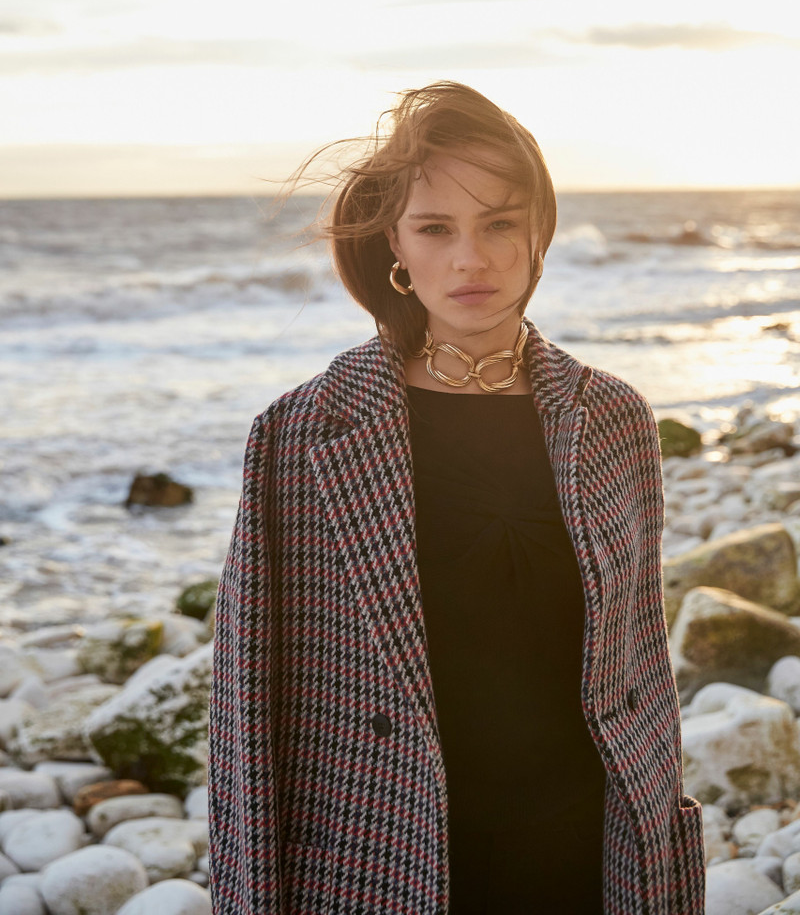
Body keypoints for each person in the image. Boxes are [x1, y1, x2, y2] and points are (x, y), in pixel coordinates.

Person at [208, 82, 706, 915]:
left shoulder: (613, 418)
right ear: (396, 245)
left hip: (587, 853)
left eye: (500, 222)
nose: (470, 258)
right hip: (384, 855)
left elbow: (640, 676)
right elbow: (248, 708)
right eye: (436, 228)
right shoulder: (302, 434)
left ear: (540, 232)